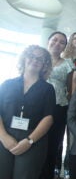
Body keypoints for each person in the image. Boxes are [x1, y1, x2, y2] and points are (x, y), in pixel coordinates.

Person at [0, 45, 55, 179]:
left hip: (33, 139)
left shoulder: (48, 89)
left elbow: (48, 118)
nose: (35, 60)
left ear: (44, 65)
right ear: (24, 59)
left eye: (40, 59)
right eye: (31, 56)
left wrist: (29, 141)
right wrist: (3, 137)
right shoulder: (7, 84)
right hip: (4, 136)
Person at [40, 31, 74, 179]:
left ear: (65, 47)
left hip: (59, 107)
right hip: (37, 106)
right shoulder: (39, 59)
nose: (57, 43)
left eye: (62, 42)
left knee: (54, 144)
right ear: (48, 41)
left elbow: (70, 89)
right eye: (55, 40)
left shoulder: (68, 63)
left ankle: (49, 173)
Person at [58, 31, 76, 178]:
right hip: (62, 99)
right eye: (74, 38)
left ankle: (68, 166)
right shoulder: (63, 59)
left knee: (72, 136)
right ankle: (56, 167)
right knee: (59, 135)